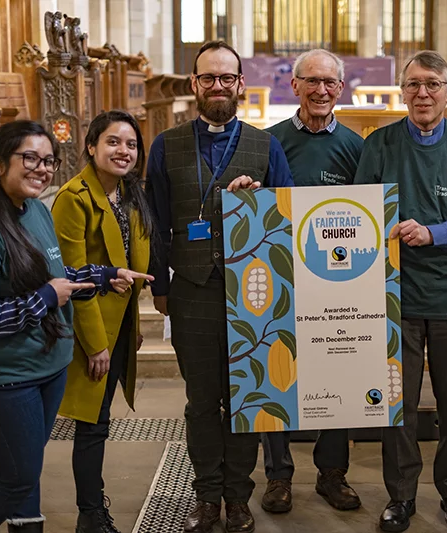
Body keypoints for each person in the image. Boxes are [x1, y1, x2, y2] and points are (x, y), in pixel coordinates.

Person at [0, 120, 152, 533]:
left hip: (47, 366)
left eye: (49, 160)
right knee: (17, 476)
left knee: (27, 468)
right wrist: (46, 299)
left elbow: (56, 274)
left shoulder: (34, 209)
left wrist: (102, 276)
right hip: (4, 377)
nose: (41, 168)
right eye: (30, 158)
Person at [146, 40, 294, 533]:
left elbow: (285, 219)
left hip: (252, 294)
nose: (217, 86)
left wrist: (260, 202)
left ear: (240, 85)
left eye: (226, 78)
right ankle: (207, 496)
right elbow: (157, 219)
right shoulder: (165, 145)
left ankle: (238, 497)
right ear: (194, 85)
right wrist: (160, 287)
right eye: (208, 77)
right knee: (202, 400)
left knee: (246, 400)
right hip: (191, 289)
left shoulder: (266, 145)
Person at [354, 50, 447, 532]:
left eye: (433, 84)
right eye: (412, 84)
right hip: (396, 294)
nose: (422, 93)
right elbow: (359, 214)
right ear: (402, 91)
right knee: (399, 403)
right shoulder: (381, 144)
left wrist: (432, 233)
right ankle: (401, 495)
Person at [259, 48, 364, 515]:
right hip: (281, 279)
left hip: (338, 280)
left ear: (341, 89)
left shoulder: (359, 146)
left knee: (339, 371)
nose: (322, 90)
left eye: (331, 83)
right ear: (294, 86)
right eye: (313, 82)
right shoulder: (267, 142)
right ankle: (278, 476)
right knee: (276, 372)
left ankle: (332, 472)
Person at [52, 111, 156, 533]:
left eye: (131, 145)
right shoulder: (73, 198)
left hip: (119, 324)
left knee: (101, 421)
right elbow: (72, 277)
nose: (123, 151)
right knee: (91, 426)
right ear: (91, 145)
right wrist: (96, 344)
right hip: (90, 329)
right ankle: (90, 514)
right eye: (113, 142)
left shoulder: (130, 193)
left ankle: (92, 509)